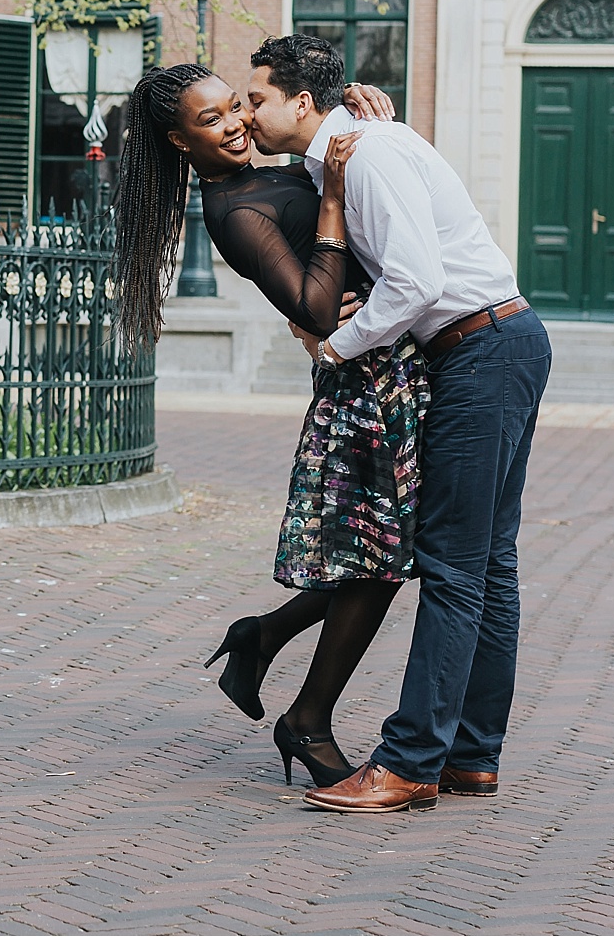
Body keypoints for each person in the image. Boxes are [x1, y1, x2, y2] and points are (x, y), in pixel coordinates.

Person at [244, 34, 552, 814]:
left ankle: (411, 762)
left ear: (302, 103)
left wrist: (334, 348)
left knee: (453, 567)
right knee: (487, 566)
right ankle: (471, 757)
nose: (247, 113)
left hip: (479, 350)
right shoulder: (349, 154)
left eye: (256, 98)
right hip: (495, 344)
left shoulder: (368, 153)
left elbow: (416, 281)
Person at [110, 62, 425, 789]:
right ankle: (306, 720)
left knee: (378, 560)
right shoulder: (233, 212)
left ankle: (263, 638)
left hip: (389, 367)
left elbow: (312, 131)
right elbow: (315, 307)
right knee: (376, 564)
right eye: (212, 120)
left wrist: (356, 104)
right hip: (361, 388)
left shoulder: (272, 168)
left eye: (235, 107)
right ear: (178, 141)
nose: (236, 123)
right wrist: (335, 201)